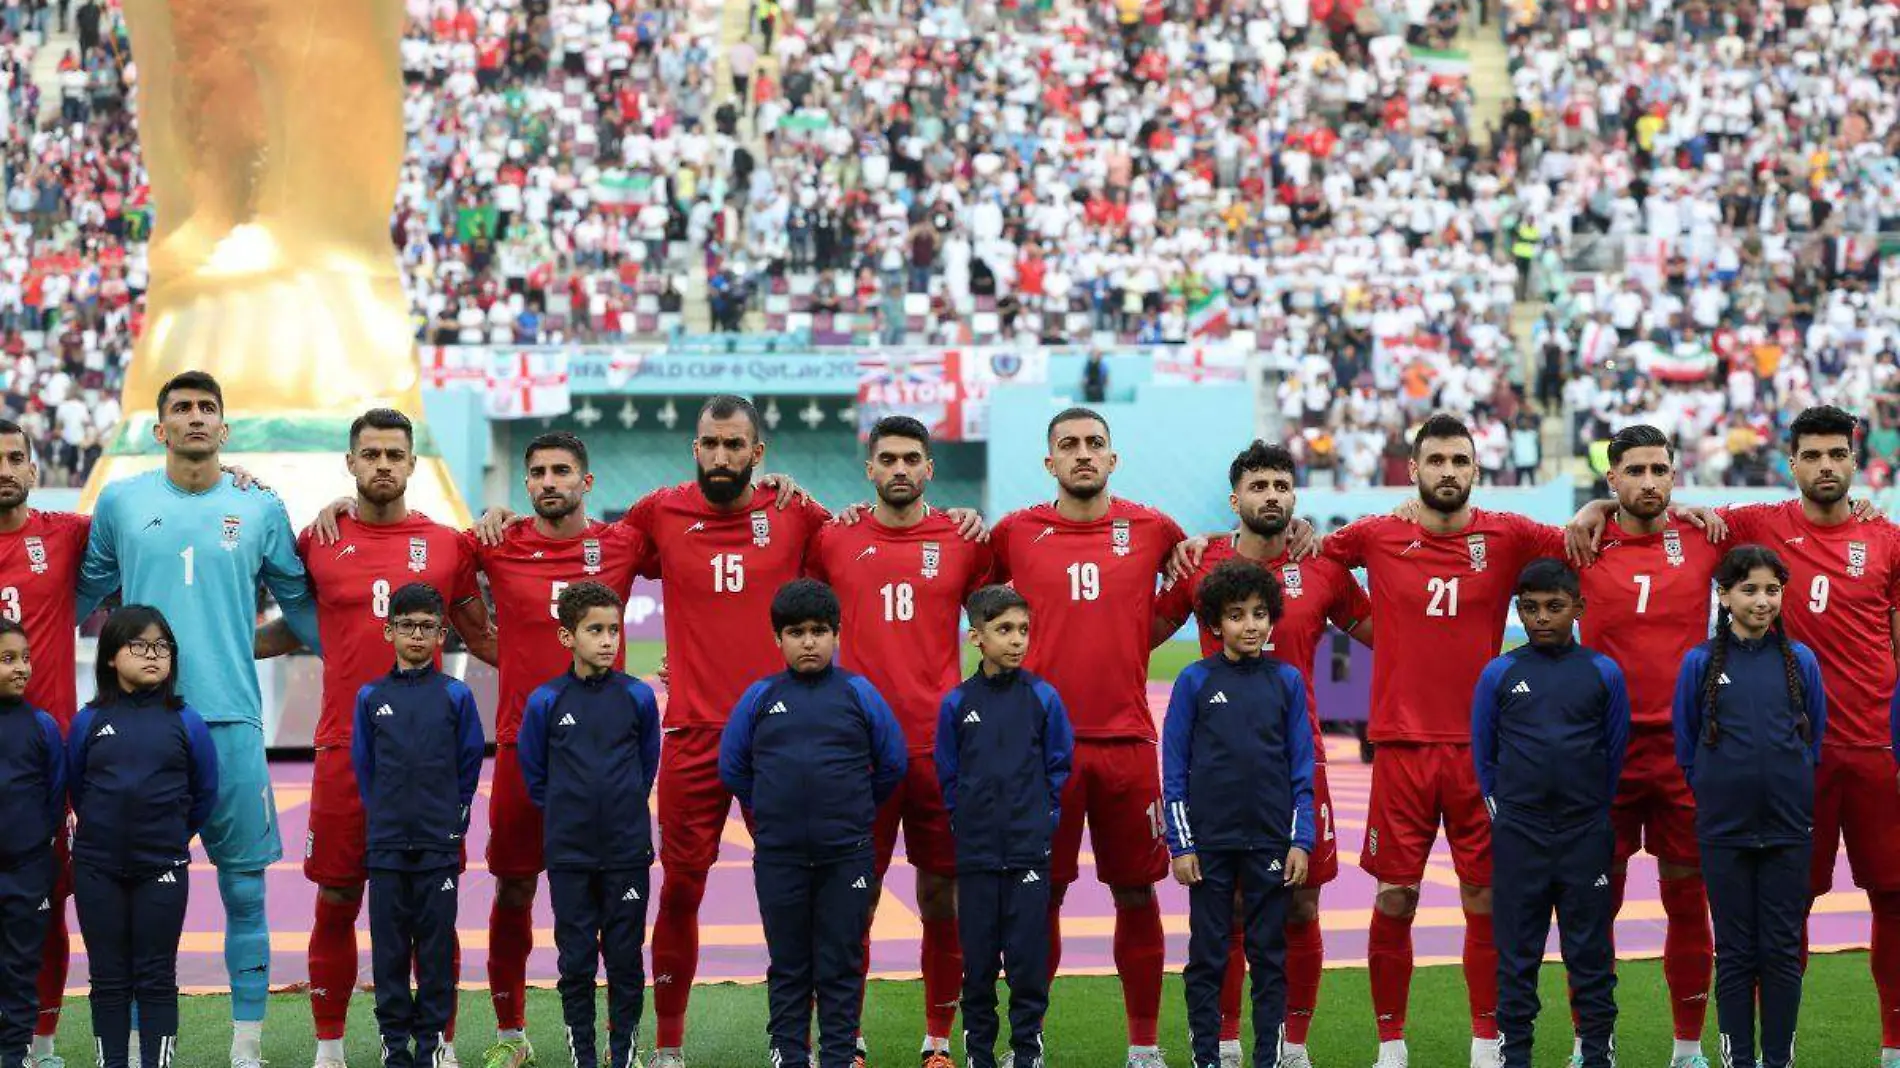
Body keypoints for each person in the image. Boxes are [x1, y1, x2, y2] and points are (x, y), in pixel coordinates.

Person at [76, 372, 322, 1068]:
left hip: (233, 725)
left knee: (245, 887)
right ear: (159, 430)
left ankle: (247, 1048)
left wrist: (357, 658)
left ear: (224, 428)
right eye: (180, 409)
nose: (193, 418)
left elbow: (302, 608)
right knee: (127, 893)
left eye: (205, 408)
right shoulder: (121, 502)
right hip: (141, 729)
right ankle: (126, 1044)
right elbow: (75, 594)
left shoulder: (261, 505)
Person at [1321, 413, 1566, 1068]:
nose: (1448, 472)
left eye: (1460, 460)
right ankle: (1391, 1045)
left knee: (1484, 897)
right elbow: (1311, 558)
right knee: (1394, 895)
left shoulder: (1509, 535)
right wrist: (1369, 626)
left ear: (1476, 470)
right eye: (1437, 461)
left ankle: (1487, 1044)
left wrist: (1599, 501)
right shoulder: (1376, 534)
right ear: (1414, 469)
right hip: (1401, 748)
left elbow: (1583, 545)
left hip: (1482, 755)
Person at [267, 408, 495, 1068]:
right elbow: (290, 626)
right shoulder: (317, 539)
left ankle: (442, 1046)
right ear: (351, 464)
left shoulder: (449, 544)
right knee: (337, 896)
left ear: (413, 464)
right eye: (371, 454)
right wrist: (222, 653)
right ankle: (330, 1046)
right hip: (344, 749)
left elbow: (481, 636)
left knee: (433, 907)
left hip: (427, 762)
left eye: (395, 454)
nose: (383, 465)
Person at [615, 397, 829, 1067]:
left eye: (735, 444)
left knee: (793, 892)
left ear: (759, 453)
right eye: (709, 443)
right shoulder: (658, 512)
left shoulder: (795, 512)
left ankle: (787, 1040)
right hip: (693, 735)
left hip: (782, 738)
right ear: (694, 446)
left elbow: (858, 537)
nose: (721, 457)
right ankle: (670, 1047)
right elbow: (590, 548)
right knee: (680, 888)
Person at [1151, 440, 1372, 1068]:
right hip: (1219, 769)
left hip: (1298, 765)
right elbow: (1143, 629)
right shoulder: (1200, 564)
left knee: (1300, 901)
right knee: (1229, 910)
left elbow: (1383, 632)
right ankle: (1220, 1042)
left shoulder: (1322, 566)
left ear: (1293, 496)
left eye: (1281, 485)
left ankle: (1290, 1047)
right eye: (1258, 486)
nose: (1270, 496)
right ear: (1235, 499)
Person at [987, 408, 1189, 1068]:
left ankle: (1144, 1046)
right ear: (1049, 463)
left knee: (1137, 891)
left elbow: (1193, 585)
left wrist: (1139, 636)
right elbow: (964, 596)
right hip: (1040, 748)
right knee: (1039, 892)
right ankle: (1029, 1042)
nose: (1082, 454)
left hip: (1127, 744)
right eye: (1068, 445)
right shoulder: (1015, 532)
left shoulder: (1154, 528)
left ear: (1112, 458)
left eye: (1094, 444)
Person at [805, 415, 993, 1066]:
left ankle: (938, 1041)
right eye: (888, 459)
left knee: (944, 895)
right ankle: (845, 1039)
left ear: (929, 469)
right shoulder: (834, 538)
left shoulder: (965, 540)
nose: (900, 469)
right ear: (870, 470)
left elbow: (1005, 618)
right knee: (851, 897)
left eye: (912, 458)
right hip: (855, 753)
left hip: (940, 751)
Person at [462, 431, 653, 1068]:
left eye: (562, 471)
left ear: (586, 482)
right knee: (514, 889)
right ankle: (512, 1033)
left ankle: (616, 1041)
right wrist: (499, 649)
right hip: (524, 746)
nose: (549, 481)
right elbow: (439, 566)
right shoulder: (500, 542)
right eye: (538, 472)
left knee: (609, 904)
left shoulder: (622, 543)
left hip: (606, 756)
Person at [1575, 425, 1723, 1068]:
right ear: (1612, 480)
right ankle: (1592, 1045)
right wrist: (1593, 511)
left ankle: (1687, 1048)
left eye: (1659, 469)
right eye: (1633, 471)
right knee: (1592, 904)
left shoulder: (1706, 537)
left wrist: (1859, 506)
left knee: (1687, 896)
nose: (1648, 482)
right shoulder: (1581, 541)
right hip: (1601, 754)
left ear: (1674, 474)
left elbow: (1798, 516)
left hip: (1684, 753)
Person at [718, 579, 907, 1068]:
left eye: (819, 631)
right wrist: (771, 810)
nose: (808, 641)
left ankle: (840, 1055)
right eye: (796, 632)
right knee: (789, 962)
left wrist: (854, 809)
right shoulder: (760, 696)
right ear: (777, 640)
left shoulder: (858, 693)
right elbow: (733, 766)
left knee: (841, 961)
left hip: (847, 854)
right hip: (780, 856)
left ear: (837, 636)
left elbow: (892, 763)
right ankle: (789, 1053)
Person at [1470, 559, 1630, 1068]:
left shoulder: (1603, 673)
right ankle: (1515, 1053)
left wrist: (1589, 812)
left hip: (1585, 834)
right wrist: (1507, 815)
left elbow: (1614, 751)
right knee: (1518, 954)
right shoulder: (1500, 673)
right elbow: (1484, 755)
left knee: (1591, 955)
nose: (1543, 618)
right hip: (1520, 834)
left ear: (1578, 609)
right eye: (1532, 608)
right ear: (1519, 610)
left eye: (1555, 607)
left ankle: (1596, 1052)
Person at [1672, 546, 1827, 1068]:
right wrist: (1720, 791)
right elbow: (1686, 745)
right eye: (1750, 590)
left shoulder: (1801, 662)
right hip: (1725, 833)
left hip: (1788, 830)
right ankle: (1740, 1059)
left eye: (1772, 591)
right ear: (1724, 595)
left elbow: (1814, 742)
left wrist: (1790, 786)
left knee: (1781, 954)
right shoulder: (1699, 663)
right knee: (1736, 954)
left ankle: (1777, 1059)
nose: (1762, 601)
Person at [1163, 560, 1315, 1068]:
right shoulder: (1194, 681)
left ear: (1272, 618)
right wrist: (1181, 845)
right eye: (1236, 615)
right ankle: (1207, 1057)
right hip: (1208, 845)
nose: (1250, 625)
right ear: (1214, 623)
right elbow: (1175, 767)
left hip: (1271, 842)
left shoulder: (1287, 681)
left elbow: (1301, 766)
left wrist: (1301, 840)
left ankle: (1266, 1059)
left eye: (1259, 614)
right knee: (1207, 955)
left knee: (1269, 957)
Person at [517, 582, 663, 1068]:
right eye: (594, 630)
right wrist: (570, 814)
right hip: (570, 855)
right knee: (575, 961)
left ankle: (621, 1054)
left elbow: (645, 766)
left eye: (614, 630)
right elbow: (536, 776)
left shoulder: (638, 697)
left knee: (625, 961)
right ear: (567, 637)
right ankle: (583, 1055)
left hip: (626, 853)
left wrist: (619, 809)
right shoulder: (545, 701)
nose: (607, 640)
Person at [66, 606, 219, 1068]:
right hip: (96, 869)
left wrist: (169, 837)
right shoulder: (87, 721)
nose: (153, 655)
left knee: (156, 977)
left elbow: (204, 793)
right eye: (139, 645)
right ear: (111, 655)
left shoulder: (186, 721)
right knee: (108, 978)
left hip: (163, 867)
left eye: (162, 647)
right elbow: (76, 786)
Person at [934, 585, 1073, 1068]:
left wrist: (1042, 819)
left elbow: (1059, 766)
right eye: (1004, 630)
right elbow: (949, 774)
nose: (1017, 641)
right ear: (977, 637)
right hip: (975, 856)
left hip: (1028, 853)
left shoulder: (1042, 698)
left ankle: (1027, 1049)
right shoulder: (957, 704)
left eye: (1023, 630)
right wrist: (965, 821)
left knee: (1026, 961)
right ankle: (979, 1053)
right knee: (977, 962)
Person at [351, 583, 484, 1068]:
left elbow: (468, 766)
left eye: (427, 627)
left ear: (441, 635)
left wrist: (451, 820)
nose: (416, 634)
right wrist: (384, 818)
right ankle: (395, 1046)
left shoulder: (455, 696)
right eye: (406, 625)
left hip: (437, 845)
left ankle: (429, 1046)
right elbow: (365, 769)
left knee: (433, 951)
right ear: (389, 631)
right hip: (386, 845)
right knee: (388, 951)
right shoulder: (370, 697)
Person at [0, 418, 93, 1067]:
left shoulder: (65, 535)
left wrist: (243, 481)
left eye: (14, 458)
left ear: (35, 469)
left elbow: (160, 516)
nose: (3, 469)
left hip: (47, 757)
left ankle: (40, 1043)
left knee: (47, 902)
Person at [0, 620, 65, 1068]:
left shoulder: (41, 727)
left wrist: (34, 851)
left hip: (26, 870)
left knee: (21, 967)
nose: (22, 668)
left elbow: (54, 795)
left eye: (25, 657)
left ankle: (13, 1054)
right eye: (8, 659)